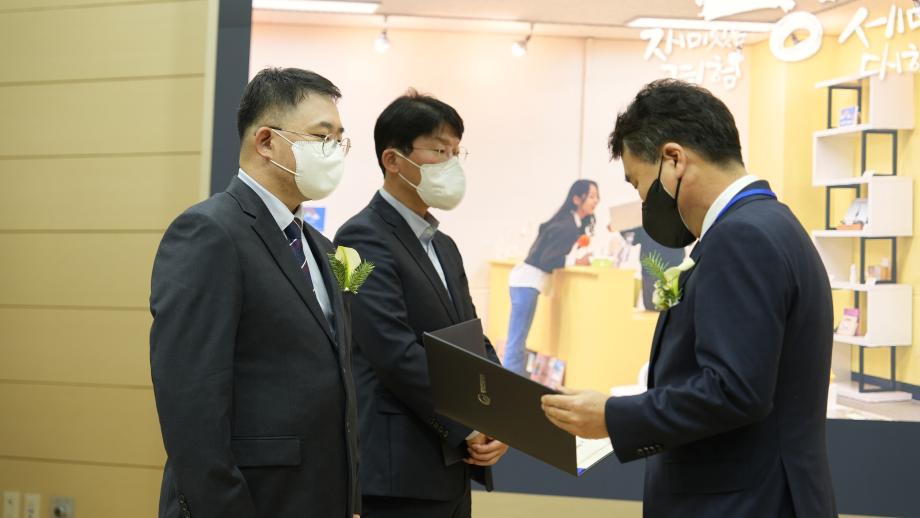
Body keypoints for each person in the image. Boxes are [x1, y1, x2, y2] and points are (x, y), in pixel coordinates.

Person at [541, 79, 836, 517]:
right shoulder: (771, 223)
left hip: (740, 503)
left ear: (674, 160)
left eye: (638, 183)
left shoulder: (741, 236)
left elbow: (734, 389)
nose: (643, 200)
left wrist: (613, 416)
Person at [150, 68, 360, 518]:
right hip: (249, 500)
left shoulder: (324, 248)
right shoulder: (208, 232)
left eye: (340, 140)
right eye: (322, 137)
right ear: (266, 141)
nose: (334, 152)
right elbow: (190, 403)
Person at [335, 90, 509, 518]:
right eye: (438, 150)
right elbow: (391, 351)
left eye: (455, 151)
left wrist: (499, 417)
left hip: (452, 465)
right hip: (397, 469)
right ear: (393, 160)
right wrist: (467, 422)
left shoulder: (444, 245)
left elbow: (473, 339)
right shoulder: (355, 238)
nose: (451, 163)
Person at [503, 180, 599, 374]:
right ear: (576, 199)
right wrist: (576, 261)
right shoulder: (567, 225)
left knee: (517, 339)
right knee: (517, 340)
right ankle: (508, 382)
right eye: (591, 196)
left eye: (597, 196)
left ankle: (510, 380)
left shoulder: (568, 221)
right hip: (526, 283)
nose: (595, 201)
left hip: (525, 282)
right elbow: (548, 260)